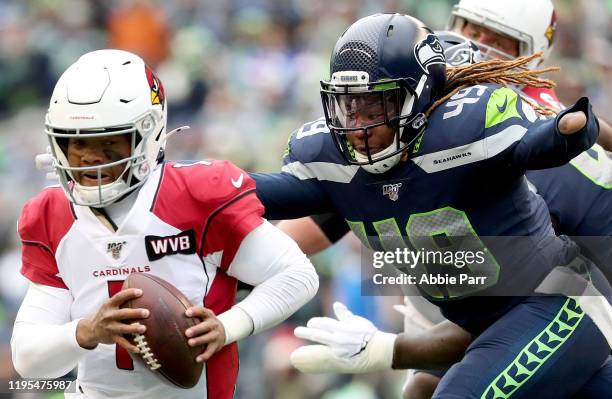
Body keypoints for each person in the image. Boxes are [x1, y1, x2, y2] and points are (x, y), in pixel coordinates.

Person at [251, 13, 610, 398]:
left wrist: (574, 130)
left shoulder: (484, 138)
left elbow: (559, 137)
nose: (358, 127)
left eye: (375, 108)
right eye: (350, 107)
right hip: (495, 318)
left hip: (568, 300)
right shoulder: (348, 163)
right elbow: (275, 207)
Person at [10, 49, 319, 399]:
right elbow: (28, 358)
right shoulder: (51, 213)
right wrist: (87, 330)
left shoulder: (195, 195)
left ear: (147, 134)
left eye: (108, 142)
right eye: (77, 142)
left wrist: (227, 326)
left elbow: (297, 276)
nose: (89, 157)